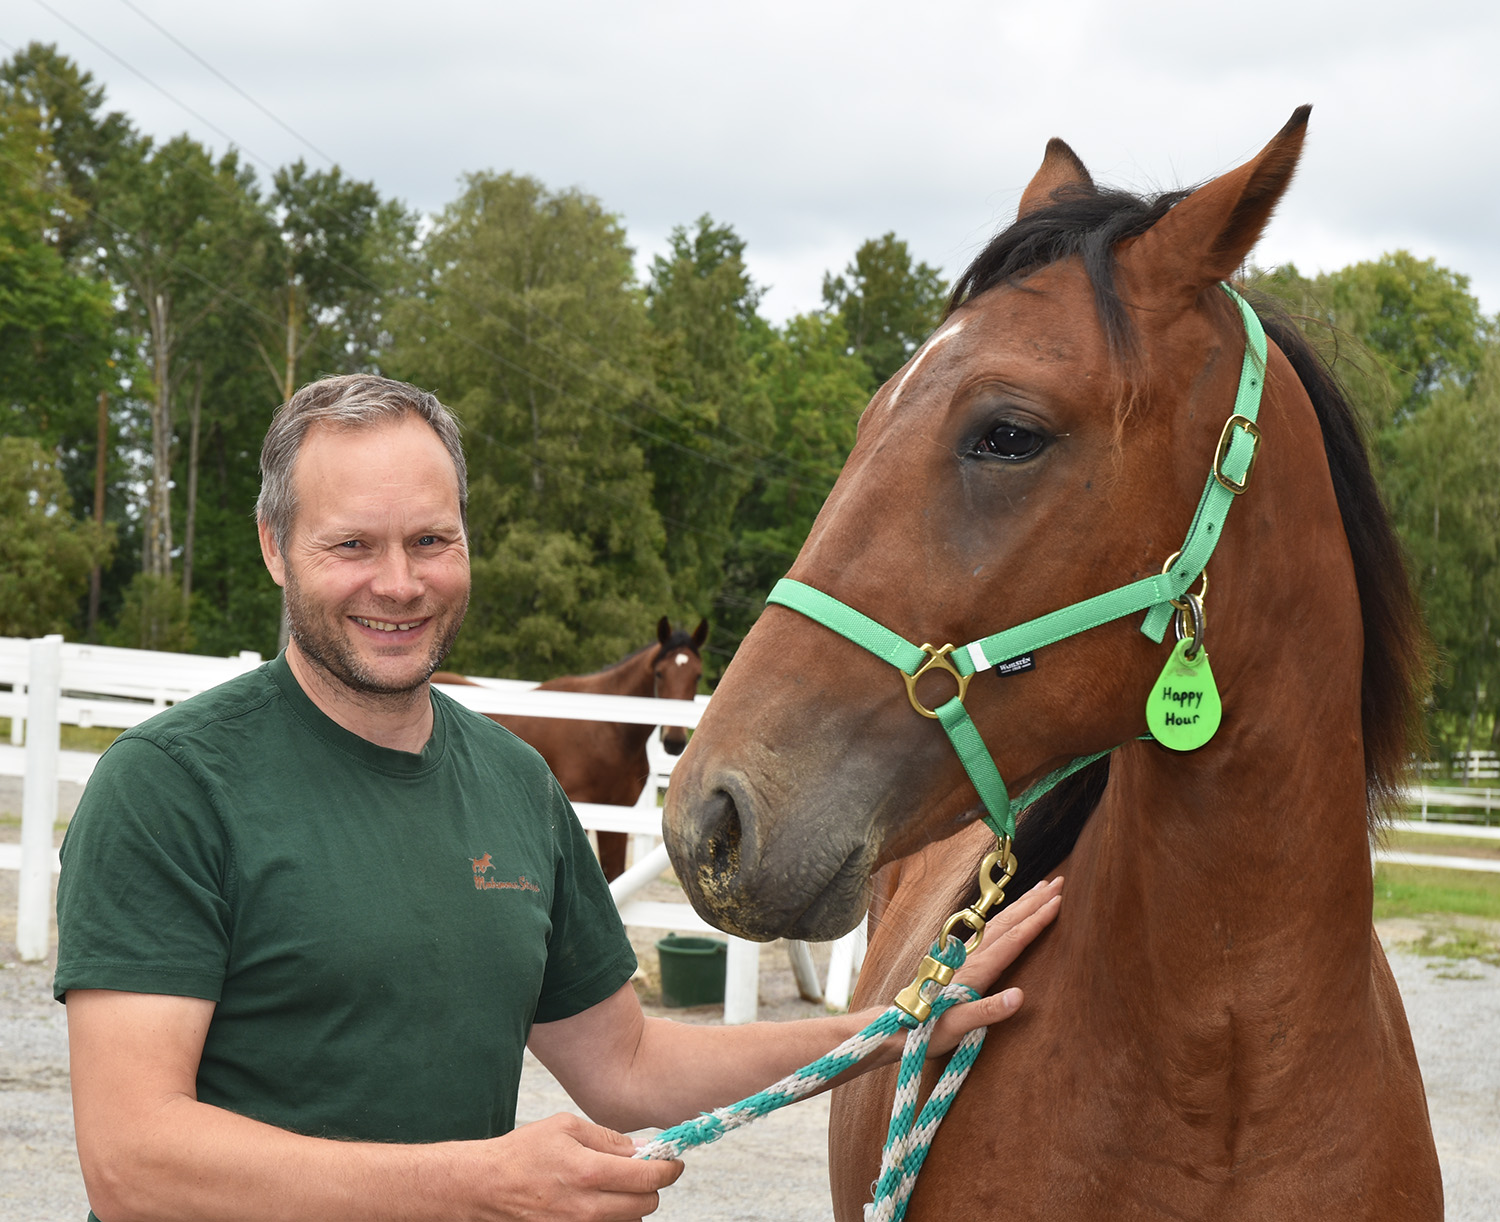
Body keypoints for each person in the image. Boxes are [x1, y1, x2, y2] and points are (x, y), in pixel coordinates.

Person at [54, 374, 1062, 1222]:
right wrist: (478, 1183)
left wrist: (896, 1024)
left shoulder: (513, 785)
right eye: (351, 546)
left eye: (431, 541)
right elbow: (134, 1157)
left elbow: (626, 1066)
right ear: (277, 549)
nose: (400, 583)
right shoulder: (170, 787)